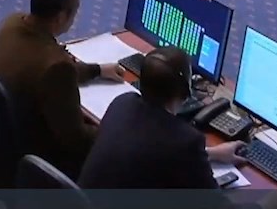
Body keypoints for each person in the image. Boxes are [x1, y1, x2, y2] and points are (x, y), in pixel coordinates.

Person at [0, 0, 125, 182]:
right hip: (36, 156)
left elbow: (37, 66)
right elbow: (75, 140)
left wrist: (98, 70)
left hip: (0, 135)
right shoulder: (56, 68)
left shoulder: (11, 24)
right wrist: (114, 131)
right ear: (60, 17)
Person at [78, 47, 248, 189]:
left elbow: (152, 152)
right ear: (185, 93)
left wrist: (211, 154)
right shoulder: (186, 141)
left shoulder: (122, 103)